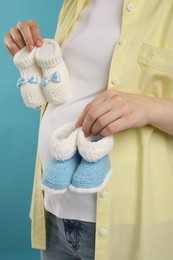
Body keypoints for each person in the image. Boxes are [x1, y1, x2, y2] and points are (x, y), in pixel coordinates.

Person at [4, 0, 173, 259]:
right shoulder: (75, 4)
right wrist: (33, 59)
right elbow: (68, 95)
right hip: (55, 213)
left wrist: (148, 108)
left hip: (128, 227)